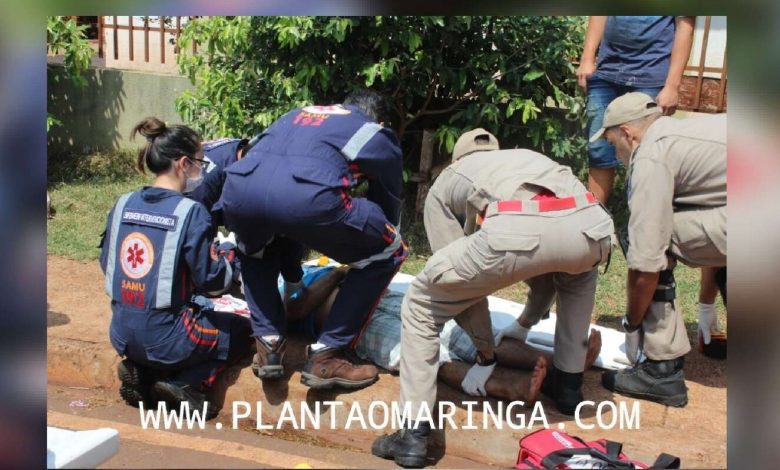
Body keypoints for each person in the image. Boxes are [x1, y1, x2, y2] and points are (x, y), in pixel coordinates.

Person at [372, 129, 614, 468]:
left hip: (520, 231)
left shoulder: (448, 180)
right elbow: (549, 264)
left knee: (421, 303)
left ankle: (413, 435)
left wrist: (485, 351)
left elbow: (457, 287)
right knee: (578, 276)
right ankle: (569, 387)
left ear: (457, 159)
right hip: (592, 227)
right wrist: (524, 323)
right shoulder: (527, 158)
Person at [221, 89, 407, 390]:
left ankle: (268, 345)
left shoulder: (297, 114)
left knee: (254, 249)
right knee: (389, 250)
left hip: (239, 193)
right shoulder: (374, 132)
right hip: (306, 200)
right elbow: (387, 208)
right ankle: (327, 354)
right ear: (382, 120)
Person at [99, 117, 252, 419]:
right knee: (241, 332)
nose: (201, 170)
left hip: (120, 332)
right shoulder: (190, 212)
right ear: (183, 163)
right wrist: (229, 255)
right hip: (169, 338)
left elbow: (109, 264)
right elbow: (214, 282)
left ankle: (144, 372)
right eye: (199, 162)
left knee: (169, 323)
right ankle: (188, 384)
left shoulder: (123, 203)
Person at [281, 263, 603, 404]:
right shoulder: (269, 290)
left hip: (381, 296)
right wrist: (339, 274)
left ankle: (562, 362)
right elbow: (297, 307)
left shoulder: (300, 264)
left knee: (460, 329)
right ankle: (507, 386)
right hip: (354, 324)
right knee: (425, 350)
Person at [590, 92, 726, 406]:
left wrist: (632, 323)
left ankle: (660, 369)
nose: (616, 154)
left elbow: (646, 263)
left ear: (627, 132)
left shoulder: (651, 155)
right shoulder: (686, 134)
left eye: (613, 145)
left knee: (647, 237)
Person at [577, 16, 695, 204]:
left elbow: (685, 26)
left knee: (647, 154)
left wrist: (672, 85)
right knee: (599, 149)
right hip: (606, 71)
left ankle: (639, 224)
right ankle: (595, 221)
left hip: (651, 75)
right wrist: (587, 58)